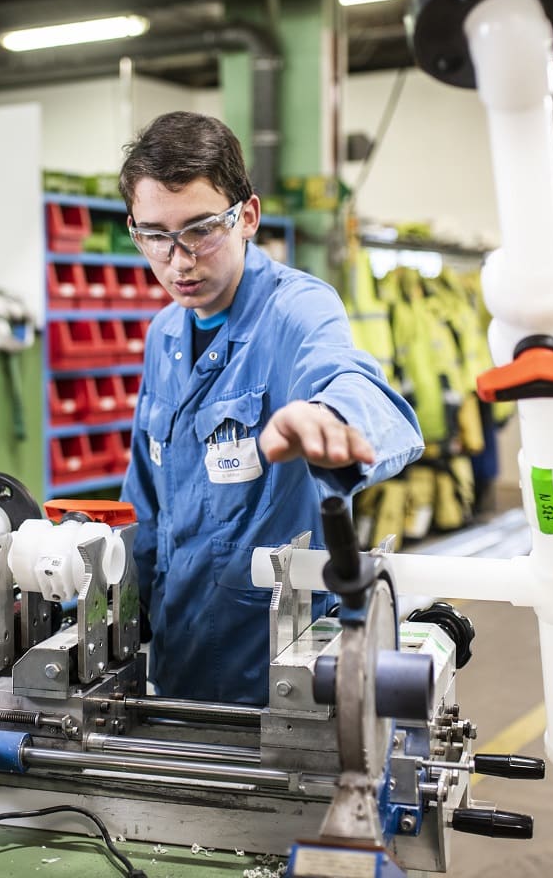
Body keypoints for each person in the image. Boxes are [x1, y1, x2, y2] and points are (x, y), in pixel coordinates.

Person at [119, 111, 423, 706]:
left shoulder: (297, 309)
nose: (179, 261)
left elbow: (346, 375)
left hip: (277, 668)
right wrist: (119, 613)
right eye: (155, 235)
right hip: (177, 655)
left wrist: (333, 420)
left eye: (200, 229)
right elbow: (147, 506)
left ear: (247, 218)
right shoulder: (164, 336)